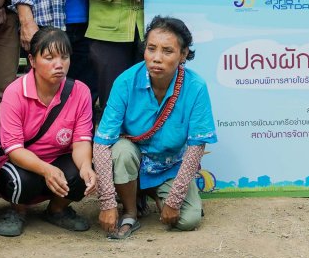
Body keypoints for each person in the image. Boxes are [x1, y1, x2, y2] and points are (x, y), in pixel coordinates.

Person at [92, 16, 217, 238]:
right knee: (120, 151)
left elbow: (196, 146)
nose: (156, 58)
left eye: (167, 51)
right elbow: (101, 144)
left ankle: (149, 191)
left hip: (169, 164)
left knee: (188, 220)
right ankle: (130, 211)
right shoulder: (125, 81)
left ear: (184, 54)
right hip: (133, 156)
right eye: (151, 49)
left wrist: (175, 199)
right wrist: (107, 203)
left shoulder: (196, 86)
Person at [0, 26, 97, 235]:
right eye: (49, 57)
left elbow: (81, 140)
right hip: (22, 162)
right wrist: (45, 169)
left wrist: (86, 166)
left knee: (84, 173)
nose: (58, 65)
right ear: (32, 61)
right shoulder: (15, 92)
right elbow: (13, 149)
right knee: (20, 181)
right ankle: (18, 211)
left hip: (59, 159)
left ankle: (57, 210)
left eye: (64, 57)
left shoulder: (80, 91)